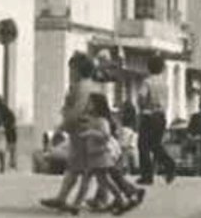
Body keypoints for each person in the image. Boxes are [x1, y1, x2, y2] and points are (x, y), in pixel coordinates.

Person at [41, 52, 99, 213]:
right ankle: (64, 198)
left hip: (82, 131)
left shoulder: (81, 87)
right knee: (76, 168)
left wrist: (64, 124)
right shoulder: (88, 85)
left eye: (72, 69)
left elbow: (78, 109)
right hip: (82, 131)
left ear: (79, 70)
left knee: (82, 169)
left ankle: (75, 201)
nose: (70, 73)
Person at [72, 93, 138, 215]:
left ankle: (121, 201)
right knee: (98, 181)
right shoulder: (93, 119)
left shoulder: (102, 120)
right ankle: (76, 205)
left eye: (91, 103)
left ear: (97, 105)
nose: (88, 105)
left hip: (100, 156)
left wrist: (91, 133)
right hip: (93, 155)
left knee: (101, 181)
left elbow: (106, 135)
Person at [136, 56, 177, 185]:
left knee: (143, 146)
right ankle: (169, 164)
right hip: (161, 117)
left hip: (149, 116)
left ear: (149, 67)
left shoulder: (147, 82)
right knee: (155, 145)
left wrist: (142, 107)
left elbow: (141, 97)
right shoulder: (165, 83)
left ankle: (147, 176)